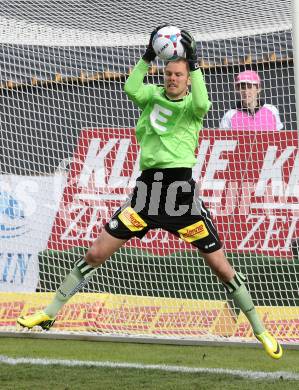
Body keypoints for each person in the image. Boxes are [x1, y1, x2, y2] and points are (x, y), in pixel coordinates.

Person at [17, 27, 282, 359]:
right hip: (146, 195)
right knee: (96, 253)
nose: (172, 78)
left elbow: (203, 100)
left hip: (180, 197)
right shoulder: (151, 95)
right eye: (169, 73)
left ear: (188, 78)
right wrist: (147, 55)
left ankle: (260, 328)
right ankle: (50, 312)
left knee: (221, 268)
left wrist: (195, 63)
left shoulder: (192, 107)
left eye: (179, 74)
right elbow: (130, 86)